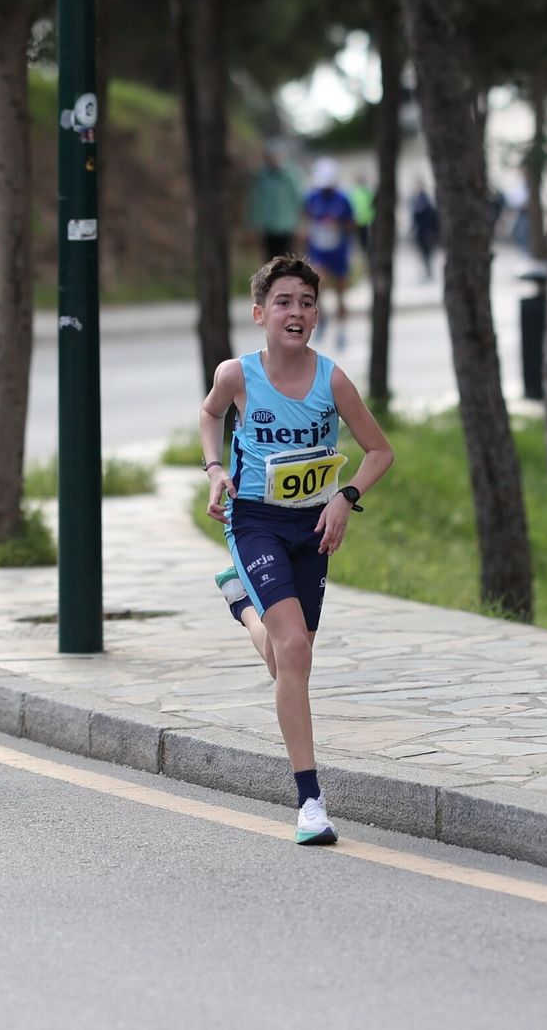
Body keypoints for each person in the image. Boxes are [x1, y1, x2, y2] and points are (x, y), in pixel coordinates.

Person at [199, 255, 394, 845]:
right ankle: (310, 801)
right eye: (284, 302)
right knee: (294, 649)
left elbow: (379, 451)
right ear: (261, 314)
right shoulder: (238, 375)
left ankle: (241, 604)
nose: (297, 312)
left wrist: (346, 499)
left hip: (313, 527)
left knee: (294, 652)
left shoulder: (332, 380)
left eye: (307, 303)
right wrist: (215, 471)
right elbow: (209, 415)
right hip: (254, 521)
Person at [301, 157, 356, 347]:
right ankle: (321, 318)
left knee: (340, 293)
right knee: (316, 286)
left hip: (338, 250)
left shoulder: (343, 199)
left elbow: (352, 224)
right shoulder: (311, 197)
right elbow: (305, 218)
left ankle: (341, 331)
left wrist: (338, 223)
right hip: (318, 249)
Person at [247, 142, 302, 263]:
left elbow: (299, 199)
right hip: (268, 226)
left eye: (277, 157)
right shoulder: (262, 177)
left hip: (287, 226)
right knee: (270, 260)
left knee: (287, 261)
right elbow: (256, 202)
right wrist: (254, 224)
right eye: (271, 157)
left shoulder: (290, 176)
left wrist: (300, 223)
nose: (274, 160)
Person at [410, 182, 440, 281]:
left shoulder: (424, 202)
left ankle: (428, 272)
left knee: (427, 253)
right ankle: (427, 272)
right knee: (425, 253)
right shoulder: (420, 201)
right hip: (424, 232)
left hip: (425, 232)